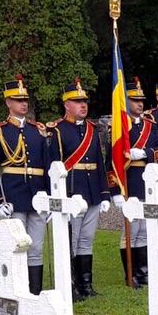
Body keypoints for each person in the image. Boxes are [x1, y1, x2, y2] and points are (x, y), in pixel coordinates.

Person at [0, 76, 50, 295]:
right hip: (14, 197)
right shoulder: (0, 131)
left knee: (37, 248)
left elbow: (48, 168)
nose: (23, 103)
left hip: (38, 196)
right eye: (18, 99)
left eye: (25, 99)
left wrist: (49, 199)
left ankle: (35, 293)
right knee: (17, 246)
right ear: (8, 103)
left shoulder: (37, 130)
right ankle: (17, 291)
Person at [47, 79, 111, 298]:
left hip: (92, 191)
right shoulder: (57, 130)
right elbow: (53, 167)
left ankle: (86, 285)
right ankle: (70, 285)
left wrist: (104, 193)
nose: (83, 105)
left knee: (86, 240)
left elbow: (100, 164)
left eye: (84, 101)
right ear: (66, 105)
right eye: (77, 101)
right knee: (71, 241)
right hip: (72, 192)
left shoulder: (93, 130)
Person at [108, 77, 158, 286]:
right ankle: (130, 274)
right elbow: (111, 161)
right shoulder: (119, 128)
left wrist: (146, 153)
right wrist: (115, 190)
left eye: (142, 100)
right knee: (130, 230)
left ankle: (143, 271)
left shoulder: (151, 126)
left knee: (143, 229)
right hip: (128, 180)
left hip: (147, 181)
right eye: (134, 100)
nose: (140, 104)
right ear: (126, 102)